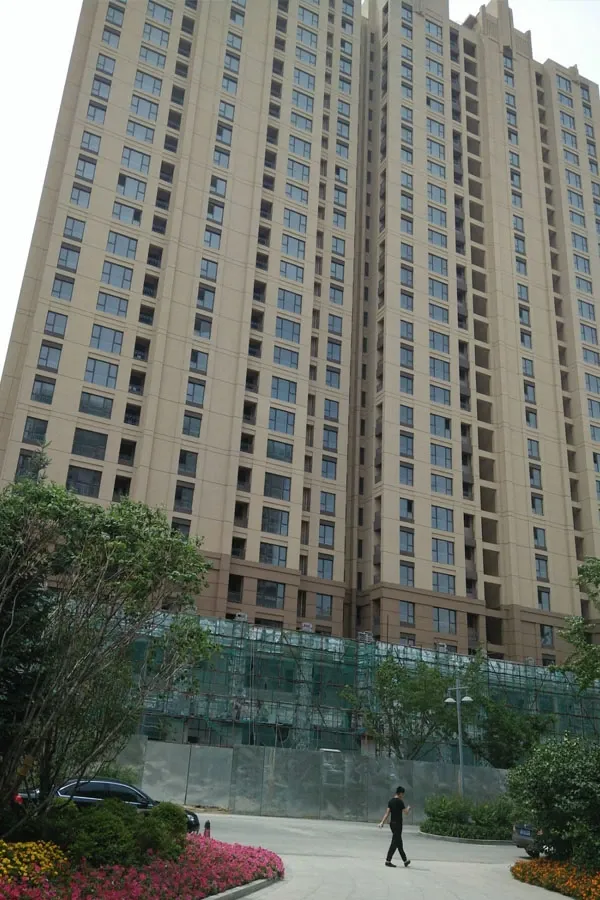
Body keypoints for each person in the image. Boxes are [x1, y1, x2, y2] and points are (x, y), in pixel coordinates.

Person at [379, 785, 411, 868]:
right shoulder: (400, 802)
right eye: (402, 794)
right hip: (398, 824)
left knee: (399, 842)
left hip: (392, 824)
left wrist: (382, 822)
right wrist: (408, 808)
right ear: (400, 793)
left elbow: (387, 813)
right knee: (395, 842)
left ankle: (405, 860)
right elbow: (406, 812)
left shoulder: (391, 801)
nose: (403, 796)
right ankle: (388, 860)